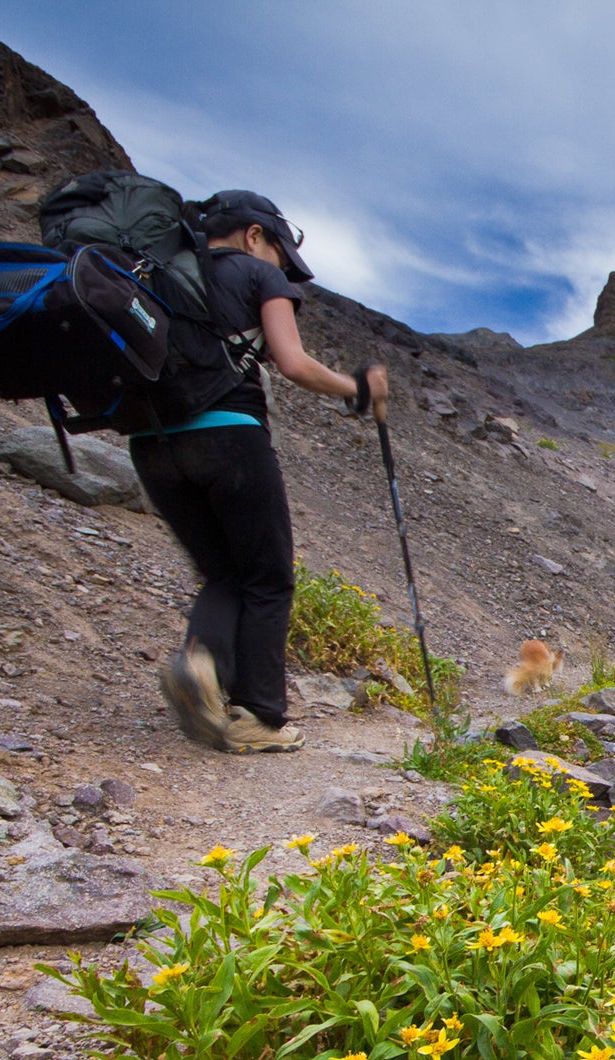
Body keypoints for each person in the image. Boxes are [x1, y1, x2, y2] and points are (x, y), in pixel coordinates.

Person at [130, 189, 388, 753]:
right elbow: (292, 363)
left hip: (149, 445)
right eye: (279, 252)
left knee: (223, 573)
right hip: (229, 437)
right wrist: (359, 388)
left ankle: (202, 665)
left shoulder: (151, 273)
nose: (282, 267)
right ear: (254, 235)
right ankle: (260, 719)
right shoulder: (257, 275)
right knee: (268, 578)